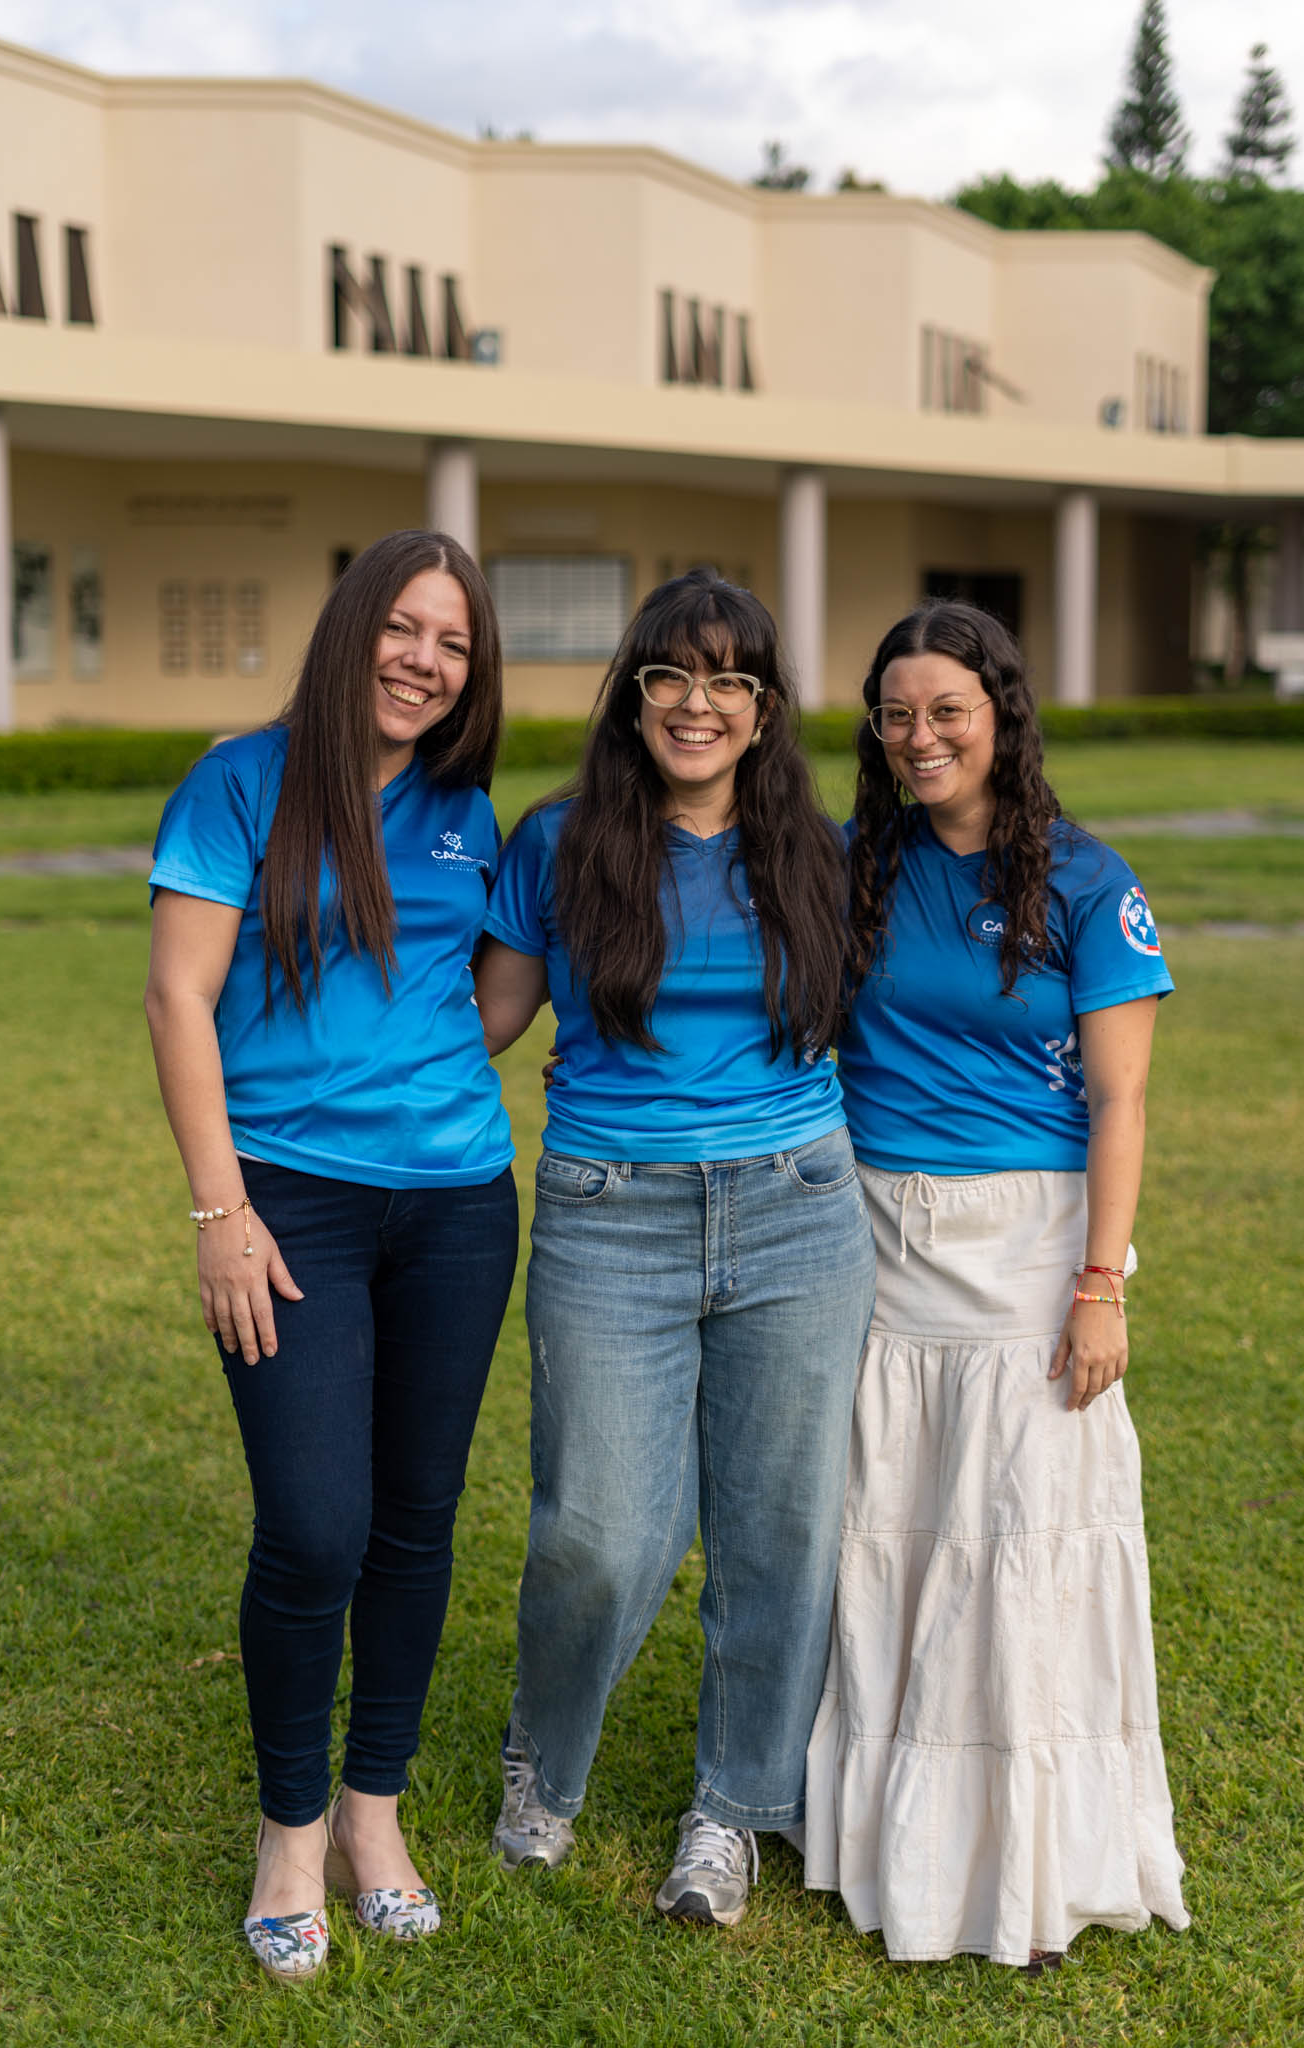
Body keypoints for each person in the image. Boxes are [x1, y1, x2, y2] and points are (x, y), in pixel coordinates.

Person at [472, 568, 876, 1928]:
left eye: (728, 681)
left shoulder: (818, 851)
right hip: (607, 1212)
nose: (695, 703)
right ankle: (546, 1760)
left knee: (778, 1531)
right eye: (669, 675)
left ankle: (731, 1808)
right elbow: (482, 1026)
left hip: (796, 1209)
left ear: (764, 711)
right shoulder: (555, 841)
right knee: (596, 1530)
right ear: (632, 691)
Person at [144, 530, 519, 1983]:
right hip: (286, 1209)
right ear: (356, 625)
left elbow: (490, 997)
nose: (426, 661)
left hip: (458, 1206)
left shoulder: (466, 813)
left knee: (413, 1522)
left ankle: (375, 1816)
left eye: (455, 644)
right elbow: (181, 997)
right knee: (313, 1524)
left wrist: (417, 1076)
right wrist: (219, 1210)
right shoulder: (239, 784)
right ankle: (288, 1832)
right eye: (407, 629)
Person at [804, 599, 1190, 1970]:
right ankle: (878, 1827)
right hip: (866, 1237)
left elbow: (1124, 1101)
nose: (919, 738)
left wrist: (1102, 1281)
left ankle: (1021, 1857)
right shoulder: (851, 863)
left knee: (1018, 1540)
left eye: (946, 712)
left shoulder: (1087, 880)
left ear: (999, 717)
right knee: (889, 1528)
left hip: (1028, 1248)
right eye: (896, 714)